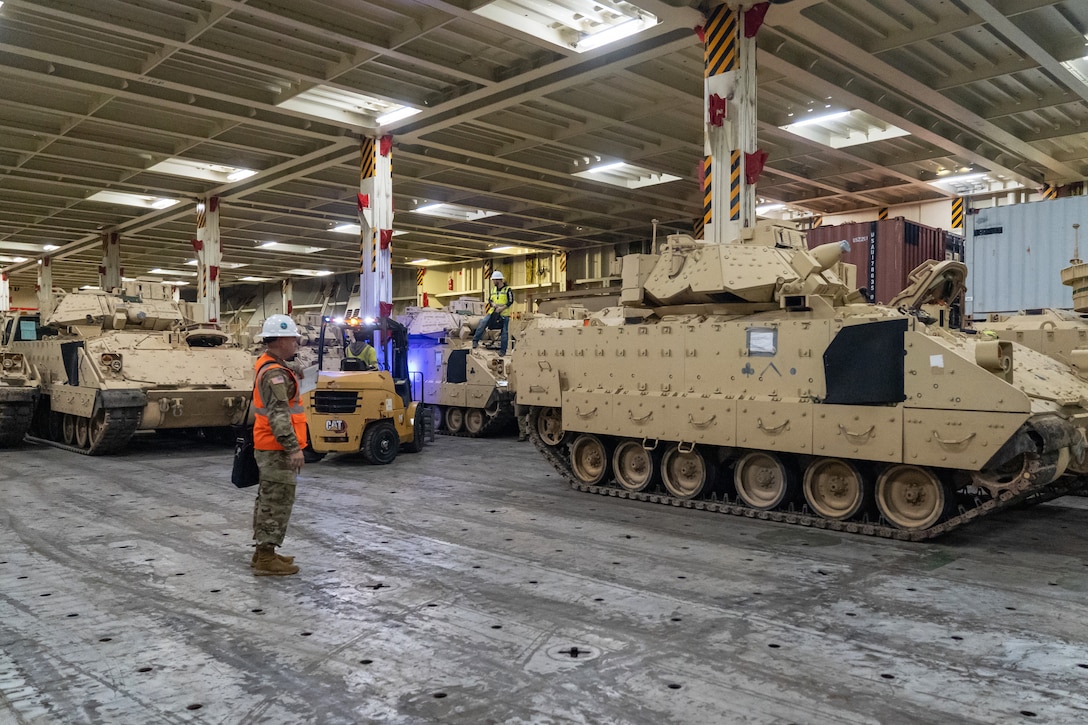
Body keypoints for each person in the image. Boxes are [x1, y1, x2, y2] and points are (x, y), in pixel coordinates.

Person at [250, 314, 307, 576]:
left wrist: (291, 369)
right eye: (293, 338)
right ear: (281, 339)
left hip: (269, 445)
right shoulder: (275, 374)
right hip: (276, 448)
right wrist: (293, 448)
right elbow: (279, 415)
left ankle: (264, 552)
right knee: (276, 501)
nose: (296, 342)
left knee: (267, 498)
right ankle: (265, 559)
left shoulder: (271, 364)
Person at [473, 270, 514, 356]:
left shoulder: (507, 290)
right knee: (483, 323)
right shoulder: (493, 290)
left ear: (498, 280)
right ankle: (475, 341)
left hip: (504, 314)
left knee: (504, 332)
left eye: (493, 280)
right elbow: (490, 300)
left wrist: (502, 308)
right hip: (493, 312)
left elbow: (510, 301)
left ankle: (503, 351)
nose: (493, 282)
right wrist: (493, 304)